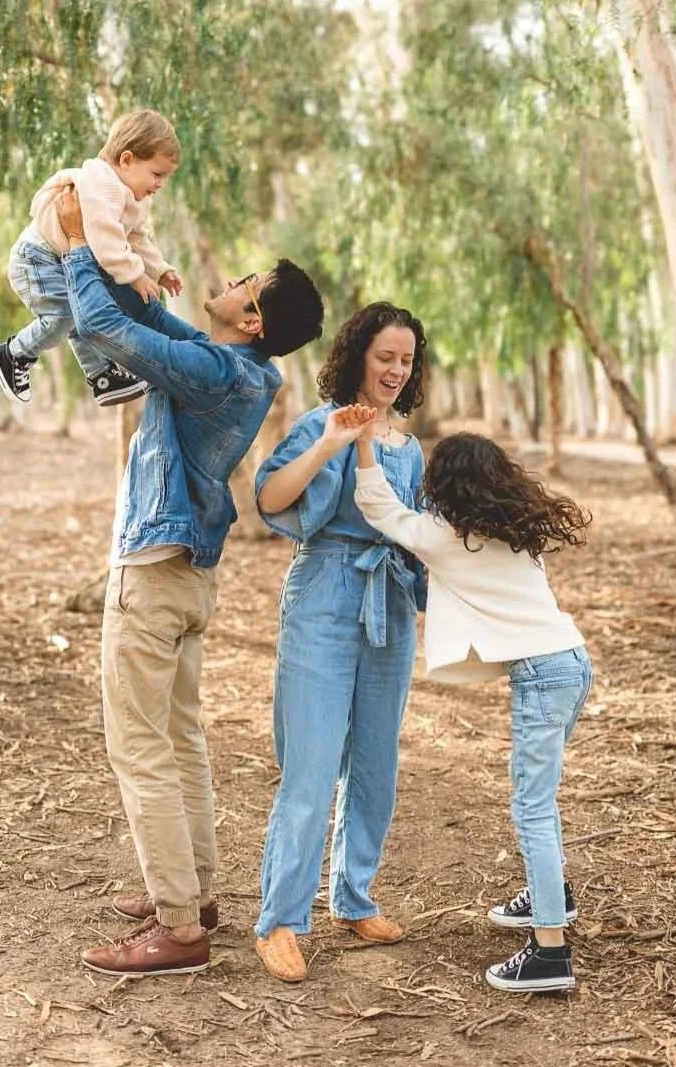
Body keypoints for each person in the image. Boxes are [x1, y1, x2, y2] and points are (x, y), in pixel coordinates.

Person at [54, 186, 324, 978]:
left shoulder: (214, 371)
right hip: (190, 578)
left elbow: (108, 331)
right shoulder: (243, 372)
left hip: (153, 575)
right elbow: (154, 326)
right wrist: (133, 271)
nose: (232, 278)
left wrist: (76, 246)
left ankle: (179, 930)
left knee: (137, 746)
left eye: (244, 282)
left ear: (252, 322)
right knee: (178, 737)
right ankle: (193, 893)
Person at [350, 425, 593, 994]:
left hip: (540, 674)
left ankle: (549, 953)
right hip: (573, 664)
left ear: (445, 485)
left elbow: (379, 506)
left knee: (532, 807)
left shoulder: (443, 536)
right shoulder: (514, 532)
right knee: (542, 799)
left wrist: (363, 443)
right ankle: (549, 893)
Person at [251, 303, 428, 983]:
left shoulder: (408, 447)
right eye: (385, 355)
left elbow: (413, 528)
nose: (394, 370)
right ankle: (279, 920)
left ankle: (352, 895)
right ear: (358, 354)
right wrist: (329, 443)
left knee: (376, 764)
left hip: (387, 602)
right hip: (323, 592)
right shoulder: (313, 424)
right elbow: (270, 497)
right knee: (312, 765)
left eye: (406, 360)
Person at [0, 109, 185, 408]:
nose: (159, 184)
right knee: (64, 316)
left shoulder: (132, 196)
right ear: (127, 160)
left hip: (58, 260)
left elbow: (135, 237)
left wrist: (159, 270)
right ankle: (15, 353)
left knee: (81, 312)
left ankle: (101, 377)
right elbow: (105, 237)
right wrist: (135, 275)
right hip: (37, 259)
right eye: (156, 174)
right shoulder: (101, 183)